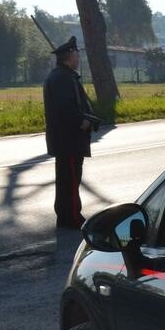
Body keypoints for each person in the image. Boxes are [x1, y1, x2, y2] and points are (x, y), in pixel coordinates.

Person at [43, 37, 98, 229]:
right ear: (69, 56)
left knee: (67, 179)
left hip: (66, 139)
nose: (79, 58)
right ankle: (72, 217)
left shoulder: (63, 76)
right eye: (77, 54)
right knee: (71, 180)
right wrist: (82, 122)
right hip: (69, 139)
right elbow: (65, 108)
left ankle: (65, 216)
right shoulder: (62, 78)